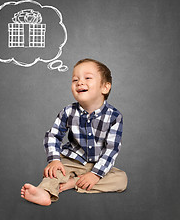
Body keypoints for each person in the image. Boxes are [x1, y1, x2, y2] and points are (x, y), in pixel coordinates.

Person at [21, 58, 128, 206]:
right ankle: (44, 192)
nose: (79, 82)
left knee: (121, 179)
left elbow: (111, 149)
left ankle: (74, 183)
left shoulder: (114, 116)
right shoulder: (68, 111)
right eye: (75, 79)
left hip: (97, 163)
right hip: (72, 160)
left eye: (87, 78)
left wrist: (95, 174)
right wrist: (54, 160)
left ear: (105, 87)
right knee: (55, 172)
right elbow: (53, 135)